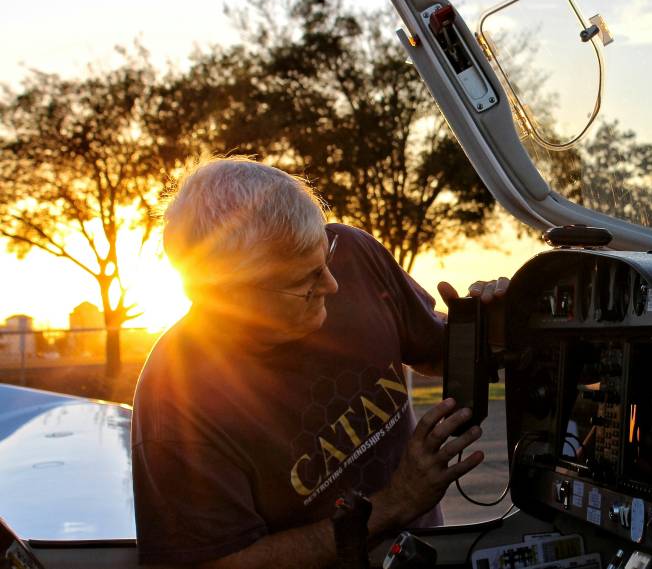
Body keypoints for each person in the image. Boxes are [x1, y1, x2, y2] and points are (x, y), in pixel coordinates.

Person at [131, 157, 508, 568]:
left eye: (325, 257)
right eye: (304, 281)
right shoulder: (176, 403)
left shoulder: (353, 254)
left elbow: (434, 351)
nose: (332, 284)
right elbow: (218, 564)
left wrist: (493, 331)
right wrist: (394, 503)